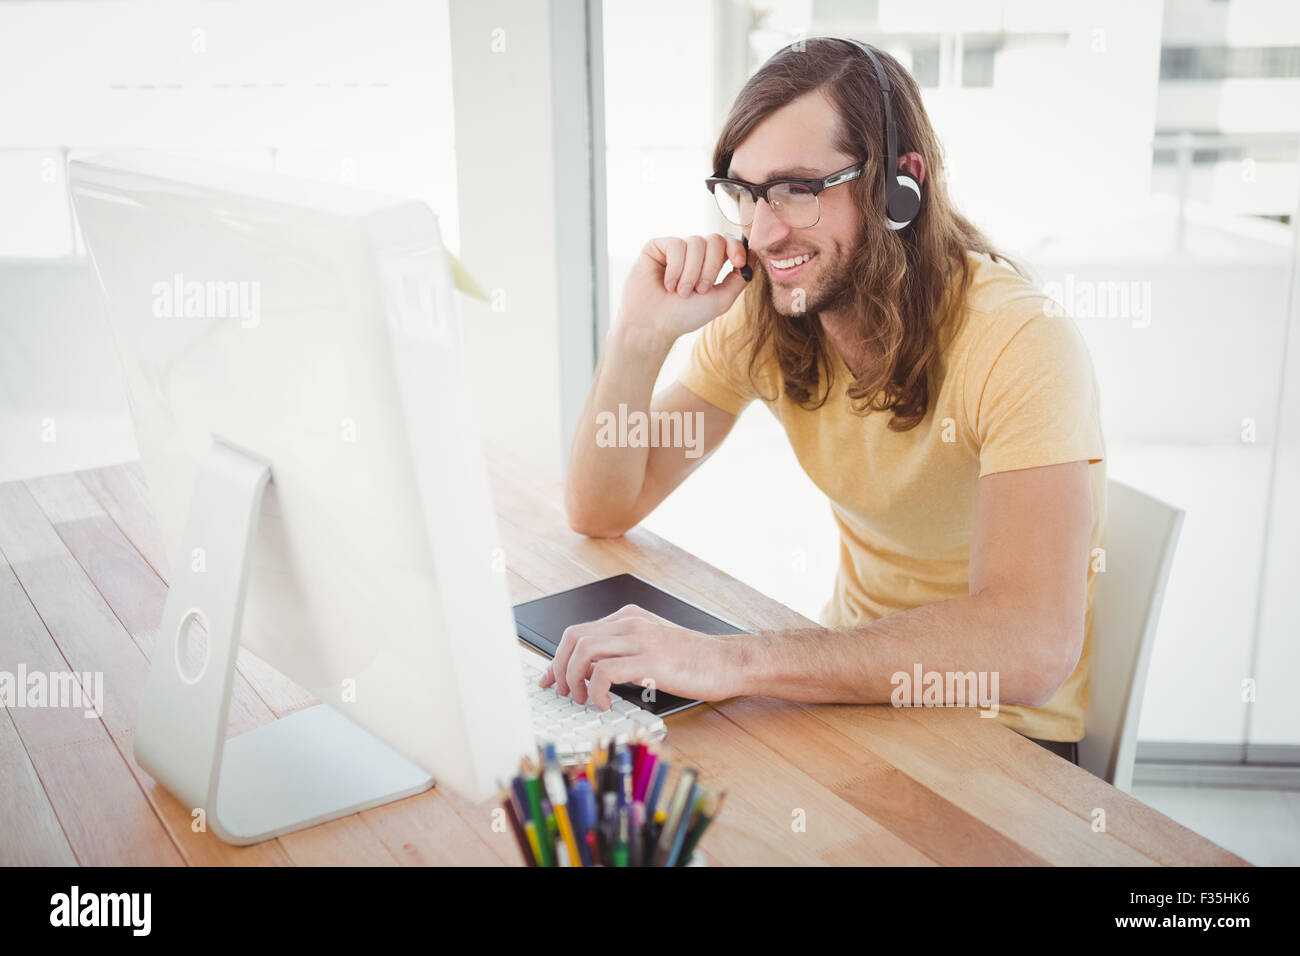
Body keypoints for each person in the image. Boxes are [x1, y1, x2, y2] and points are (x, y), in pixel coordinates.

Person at [544, 37, 1105, 764]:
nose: (765, 230)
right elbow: (603, 506)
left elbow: (1032, 643)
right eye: (744, 193)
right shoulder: (769, 312)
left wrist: (732, 660)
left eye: (798, 188)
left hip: (1001, 734)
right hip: (849, 696)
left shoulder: (1020, 338)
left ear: (903, 184)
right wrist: (639, 334)